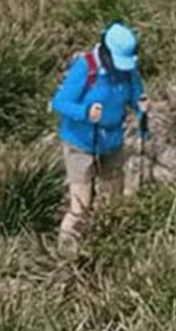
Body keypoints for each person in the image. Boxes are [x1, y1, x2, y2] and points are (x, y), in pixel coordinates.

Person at [51, 22, 149, 248]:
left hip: (111, 142)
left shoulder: (128, 71)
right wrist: (85, 112)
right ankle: (66, 252)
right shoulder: (85, 68)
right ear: (106, 52)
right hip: (80, 143)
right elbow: (60, 102)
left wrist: (141, 106)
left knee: (114, 198)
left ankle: (111, 244)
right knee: (80, 205)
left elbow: (136, 94)